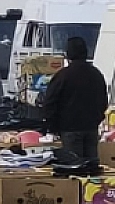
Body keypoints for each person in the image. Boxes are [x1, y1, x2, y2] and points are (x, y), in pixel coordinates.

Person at [40, 35, 110, 165]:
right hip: (91, 128)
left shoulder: (63, 76)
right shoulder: (96, 74)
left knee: (74, 167)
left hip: (69, 129)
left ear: (68, 54)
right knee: (92, 167)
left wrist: (51, 126)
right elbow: (103, 101)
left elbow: (50, 102)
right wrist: (96, 119)